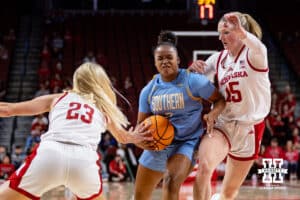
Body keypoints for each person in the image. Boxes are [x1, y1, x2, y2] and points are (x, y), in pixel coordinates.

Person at [0, 62, 153, 200]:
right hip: (84, 160)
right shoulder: (102, 109)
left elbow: (8, 110)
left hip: (50, 154)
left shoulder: (59, 98)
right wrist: (135, 136)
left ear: (76, 81)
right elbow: (123, 137)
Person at [134, 31, 226, 200]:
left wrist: (213, 114)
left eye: (169, 57)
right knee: (140, 196)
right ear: (155, 63)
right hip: (159, 143)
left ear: (178, 60)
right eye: (160, 58)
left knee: (170, 184)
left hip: (186, 142)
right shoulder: (148, 91)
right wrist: (140, 138)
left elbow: (220, 100)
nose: (165, 61)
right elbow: (141, 125)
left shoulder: (194, 81)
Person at [189, 12, 271, 200]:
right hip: (222, 123)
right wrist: (191, 71)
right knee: (204, 167)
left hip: (249, 129)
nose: (220, 37)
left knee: (228, 193)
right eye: (220, 33)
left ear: (240, 32)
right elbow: (192, 85)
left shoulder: (255, 55)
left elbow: (260, 48)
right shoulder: (217, 59)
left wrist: (243, 33)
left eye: (226, 32)